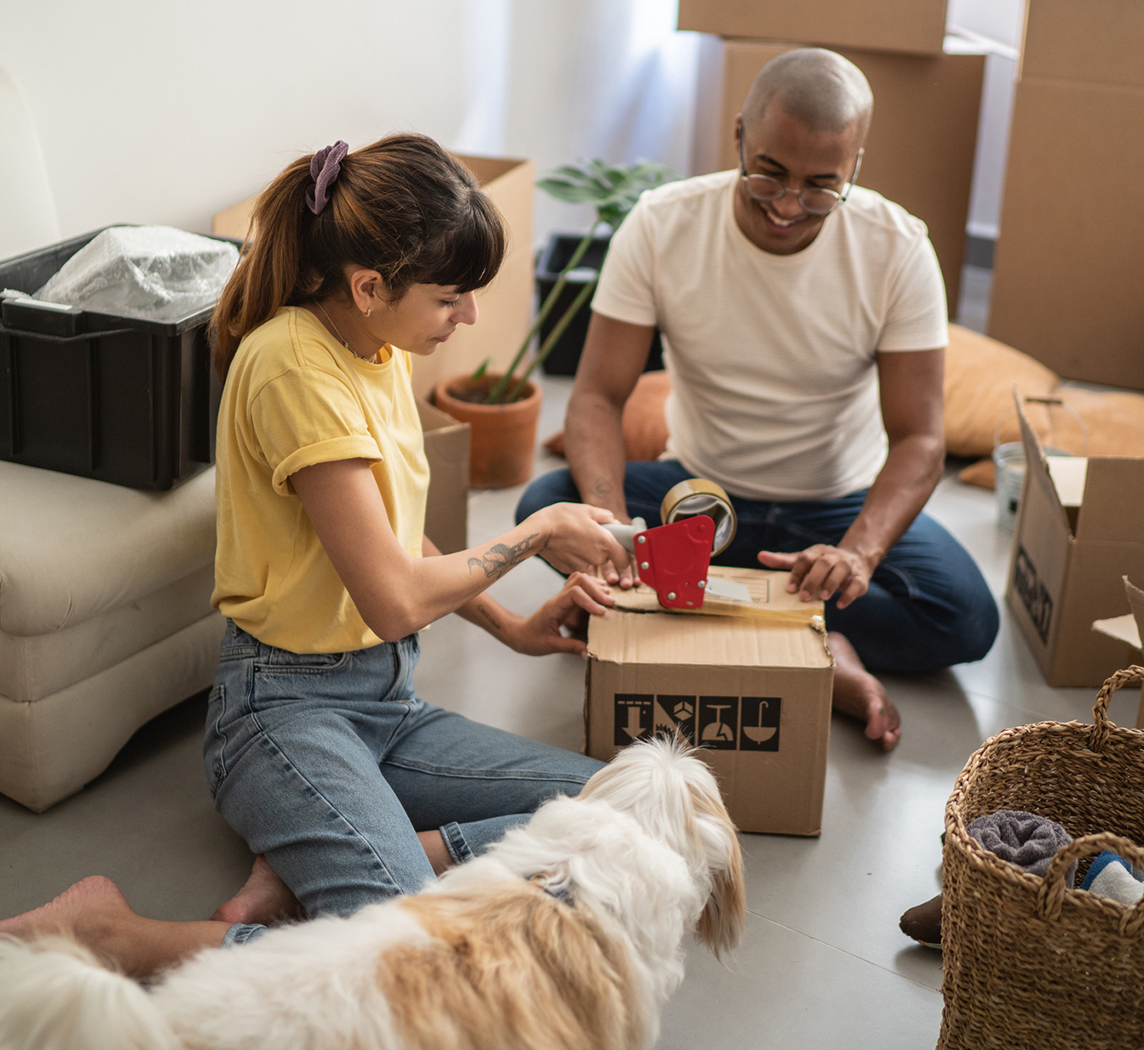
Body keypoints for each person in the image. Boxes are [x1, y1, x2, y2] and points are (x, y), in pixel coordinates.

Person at [0, 134, 630, 975]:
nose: (469, 317)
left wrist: (511, 628)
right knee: (412, 960)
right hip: (282, 713)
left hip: (388, 702)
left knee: (614, 808)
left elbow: (393, 537)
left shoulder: (378, 346)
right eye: (452, 298)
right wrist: (539, 532)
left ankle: (353, 857)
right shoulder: (294, 371)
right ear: (370, 287)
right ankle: (113, 934)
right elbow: (395, 598)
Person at [516, 48, 999, 752]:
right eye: (769, 171)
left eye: (819, 186)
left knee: (964, 618)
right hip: (698, 496)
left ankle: (697, 610)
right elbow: (595, 395)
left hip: (836, 502)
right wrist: (612, 523)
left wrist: (859, 554)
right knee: (544, 510)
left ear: (856, 167)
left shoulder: (897, 249)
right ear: (738, 134)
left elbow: (923, 438)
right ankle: (810, 642)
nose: (787, 204)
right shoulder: (660, 225)